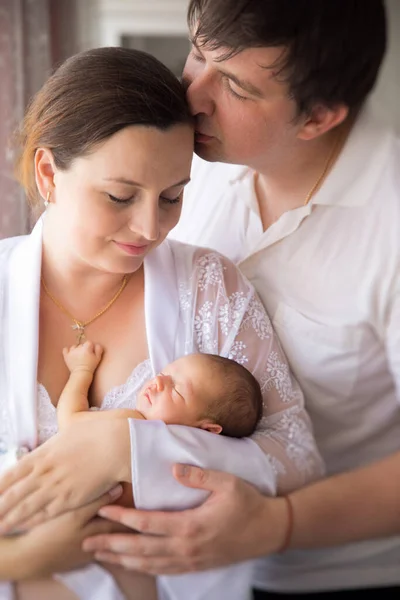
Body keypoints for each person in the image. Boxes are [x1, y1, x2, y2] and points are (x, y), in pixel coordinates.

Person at [6, 0, 398, 598]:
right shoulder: (197, 154)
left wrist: (133, 444)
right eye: (197, 53)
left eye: (236, 85)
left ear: (317, 117)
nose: (192, 95)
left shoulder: (382, 225)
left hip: (340, 568)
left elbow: (289, 445)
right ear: (48, 175)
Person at [58, 341, 263, 440]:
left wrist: (81, 370)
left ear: (206, 430)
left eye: (176, 390)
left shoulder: (134, 422)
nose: (158, 380)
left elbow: (70, 421)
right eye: (166, 373)